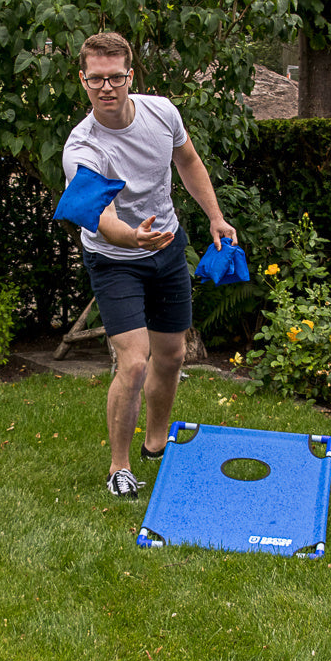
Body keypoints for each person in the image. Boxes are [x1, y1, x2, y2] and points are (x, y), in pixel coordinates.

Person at [62, 32, 237, 498]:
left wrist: (215, 218)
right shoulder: (82, 149)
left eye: (114, 77)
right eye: (96, 78)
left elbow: (189, 159)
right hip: (115, 257)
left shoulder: (163, 113)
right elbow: (100, 219)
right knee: (135, 362)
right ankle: (119, 467)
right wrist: (133, 236)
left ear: (129, 76)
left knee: (173, 355)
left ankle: (156, 445)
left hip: (168, 246)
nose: (106, 87)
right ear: (83, 81)